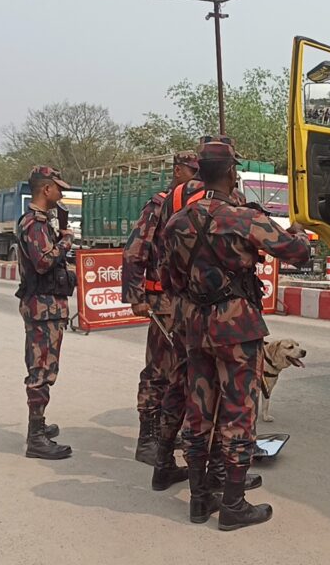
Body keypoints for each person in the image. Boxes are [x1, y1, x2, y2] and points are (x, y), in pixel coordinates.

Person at [162, 140, 311, 530]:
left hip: (194, 328)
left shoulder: (176, 222)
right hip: (237, 329)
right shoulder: (243, 219)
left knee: (198, 411)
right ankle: (232, 504)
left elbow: (169, 280)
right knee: (239, 413)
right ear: (231, 173)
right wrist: (298, 232)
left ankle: (199, 500)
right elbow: (298, 253)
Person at [122, 150, 200, 475]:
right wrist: (136, 296)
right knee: (158, 371)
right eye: (193, 171)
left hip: (185, 302)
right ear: (178, 171)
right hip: (162, 302)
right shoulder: (159, 205)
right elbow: (134, 251)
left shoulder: (194, 204)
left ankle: (167, 432)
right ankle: (147, 439)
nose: (198, 177)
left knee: (180, 370)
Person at [16, 166, 76, 460]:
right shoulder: (34, 223)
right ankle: (36, 438)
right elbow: (42, 262)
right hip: (42, 307)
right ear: (46, 189)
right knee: (41, 371)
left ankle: (38, 427)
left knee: (45, 368)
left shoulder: (40, 221)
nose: (61, 193)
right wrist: (66, 241)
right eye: (58, 188)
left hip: (47, 305)